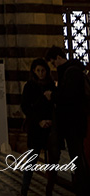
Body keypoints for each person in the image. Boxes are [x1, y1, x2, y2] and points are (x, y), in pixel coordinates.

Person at [45, 45, 89, 196]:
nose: (53, 66)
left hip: (74, 124)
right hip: (71, 124)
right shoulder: (68, 72)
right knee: (76, 156)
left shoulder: (72, 72)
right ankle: (80, 186)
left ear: (58, 58)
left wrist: (54, 96)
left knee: (77, 157)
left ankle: (83, 188)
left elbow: (70, 98)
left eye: (53, 62)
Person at [20, 58, 59, 196]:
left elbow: (56, 105)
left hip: (50, 129)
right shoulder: (29, 86)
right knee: (32, 159)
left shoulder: (51, 85)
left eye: (43, 70)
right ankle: (24, 189)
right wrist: (38, 121)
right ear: (34, 71)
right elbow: (25, 107)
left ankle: (49, 190)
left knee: (53, 161)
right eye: (38, 71)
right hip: (36, 128)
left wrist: (51, 121)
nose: (41, 73)